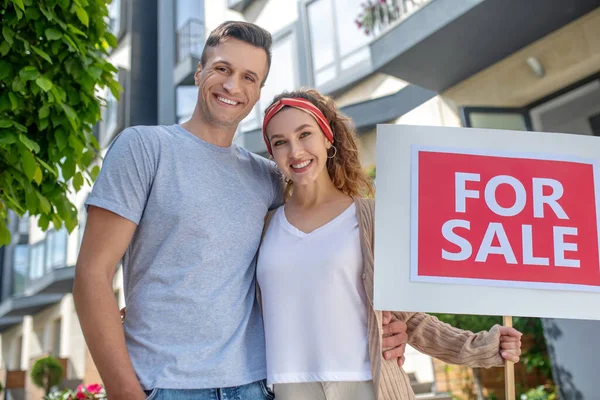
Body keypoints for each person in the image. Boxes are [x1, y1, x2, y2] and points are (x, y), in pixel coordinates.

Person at [73, 21, 408, 400]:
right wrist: (124, 393)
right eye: (222, 69)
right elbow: (91, 274)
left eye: (249, 77)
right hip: (167, 386)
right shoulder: (145, 148)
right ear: (199, 72)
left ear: (258, 91)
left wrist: (393, 325)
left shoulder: (267, 176)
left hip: (257, 385)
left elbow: (324, 260)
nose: (233, 86)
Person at [257, 88, 524, 400]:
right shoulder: (265, 226)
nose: (295, 151)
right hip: (289, 388)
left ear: (328, 138)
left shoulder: (372, 218)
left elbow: (408, 319)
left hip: (367, 385)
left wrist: (481, 347)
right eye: (280, 142)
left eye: (305, 134)